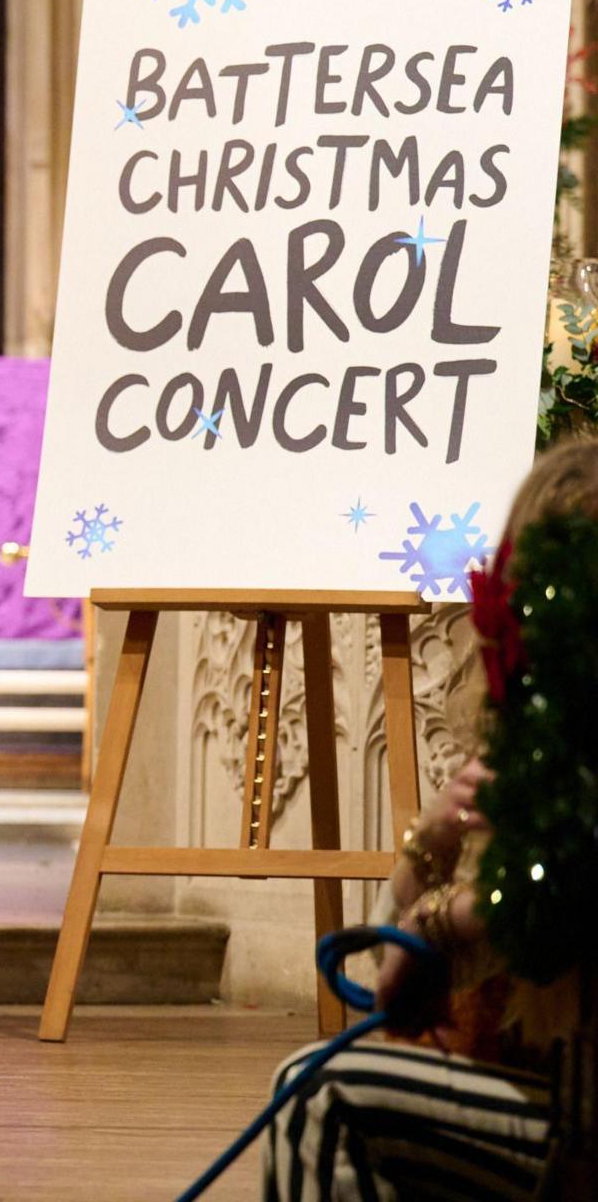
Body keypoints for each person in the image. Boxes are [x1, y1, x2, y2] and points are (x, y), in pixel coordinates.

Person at [261, 438, 598, 1199]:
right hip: (539, 1090)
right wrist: (431, 841)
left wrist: (445, 924)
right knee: (339, 1084)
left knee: (323, 1094)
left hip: (579, 1105)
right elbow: (382, 982)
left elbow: (563, 898)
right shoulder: (530, 741)